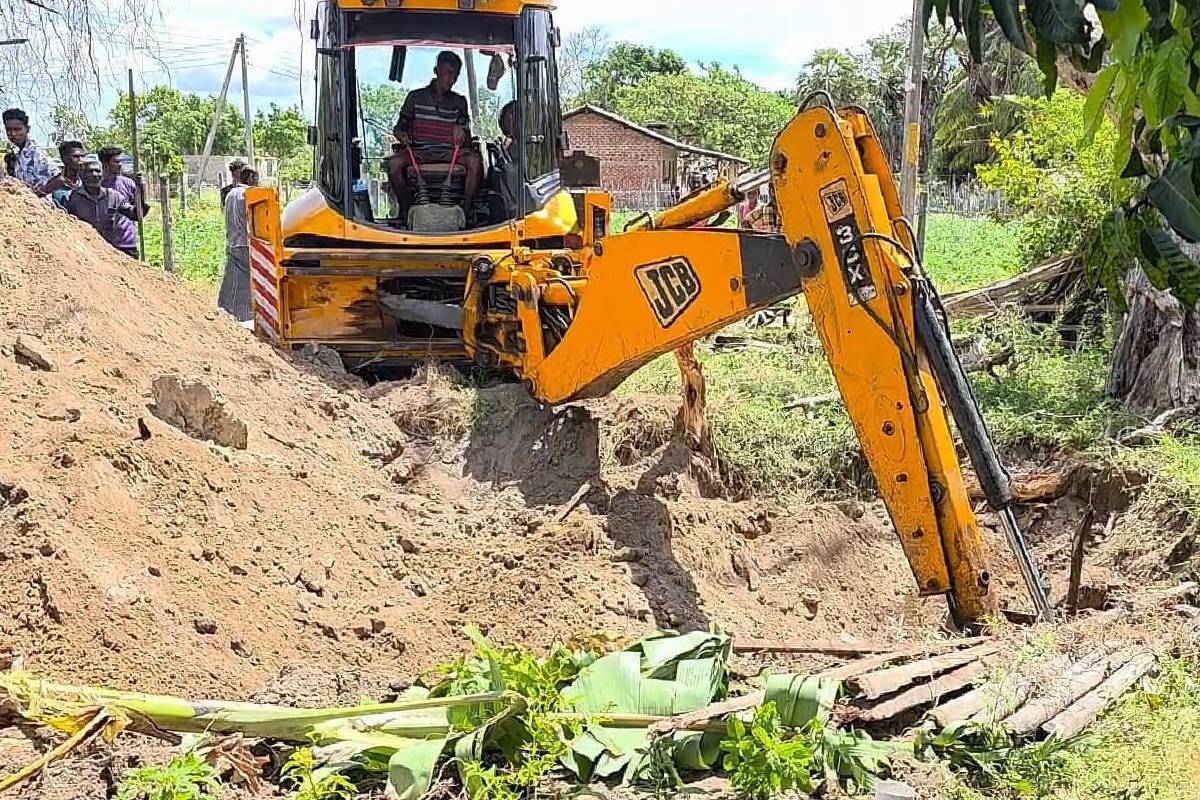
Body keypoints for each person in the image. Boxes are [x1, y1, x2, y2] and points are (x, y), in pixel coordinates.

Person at [386, 50, 483, 222]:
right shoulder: (415, 97)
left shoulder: (460, 101)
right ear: (436, 70)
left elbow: (466, 132)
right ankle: (407, 212)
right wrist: (402, 134)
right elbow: (399, 127)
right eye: (448, 73)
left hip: (450, 153)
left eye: (456, 75)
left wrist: (461, 129)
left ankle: (465, 214)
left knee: (475, 161)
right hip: (420, 152)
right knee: (393, 164)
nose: (452, 79)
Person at [63, 160, 140, 258]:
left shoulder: (114, 196)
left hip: (118, 247)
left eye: (97, 171)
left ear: (103, 174)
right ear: (81, 175)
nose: (94, 175)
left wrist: (141, 190)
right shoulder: (72, 198)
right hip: (90, 251)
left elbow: (135, 215)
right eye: (90, 171)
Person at [220, 166, 258, 323]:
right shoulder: (248, 194)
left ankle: (226, 308)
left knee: (233, 277)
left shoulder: (230, 194)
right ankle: (242, 315)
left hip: (233, 241)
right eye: (255, 179)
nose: (257, 182)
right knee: (246, 282)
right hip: (245, 243)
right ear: (248, 178)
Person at [3, 108, 58, 194]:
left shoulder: (37, 153)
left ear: (27, 129)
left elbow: (59, 178)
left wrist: (39, 193)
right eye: (9, 130)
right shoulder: (15, 155)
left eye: (17, 129)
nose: (13, 134)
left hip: (38, 204)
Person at [46, 141, 87, 208]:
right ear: (64, 159)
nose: (81, 160)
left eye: (83, 156)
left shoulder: (87, 183)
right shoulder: (54, 183)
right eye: (76, 156)